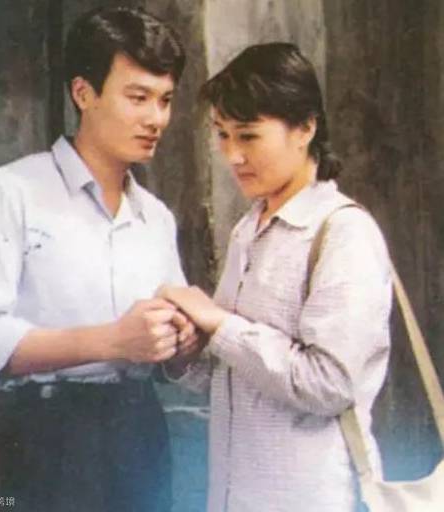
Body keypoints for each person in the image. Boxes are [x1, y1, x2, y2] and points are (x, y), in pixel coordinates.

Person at [0, 6, 197, 512]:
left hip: (140, 433)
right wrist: (113, 340)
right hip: (43, 435)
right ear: (84, 93)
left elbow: (170, 356)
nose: (156, 119)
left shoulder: (155, 217)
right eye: (138, 98)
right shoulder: (10, 191)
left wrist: (182, 344)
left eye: (166, 100)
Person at [158, 43, 392, 512]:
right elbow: (239, 375)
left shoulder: (344, 233)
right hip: (234, 496)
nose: (232, 155)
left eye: (248, 136)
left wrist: (220, 324)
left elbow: (329, 384)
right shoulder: (249, 227)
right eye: (222, 135)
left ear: (305, 128)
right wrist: (187, 352)